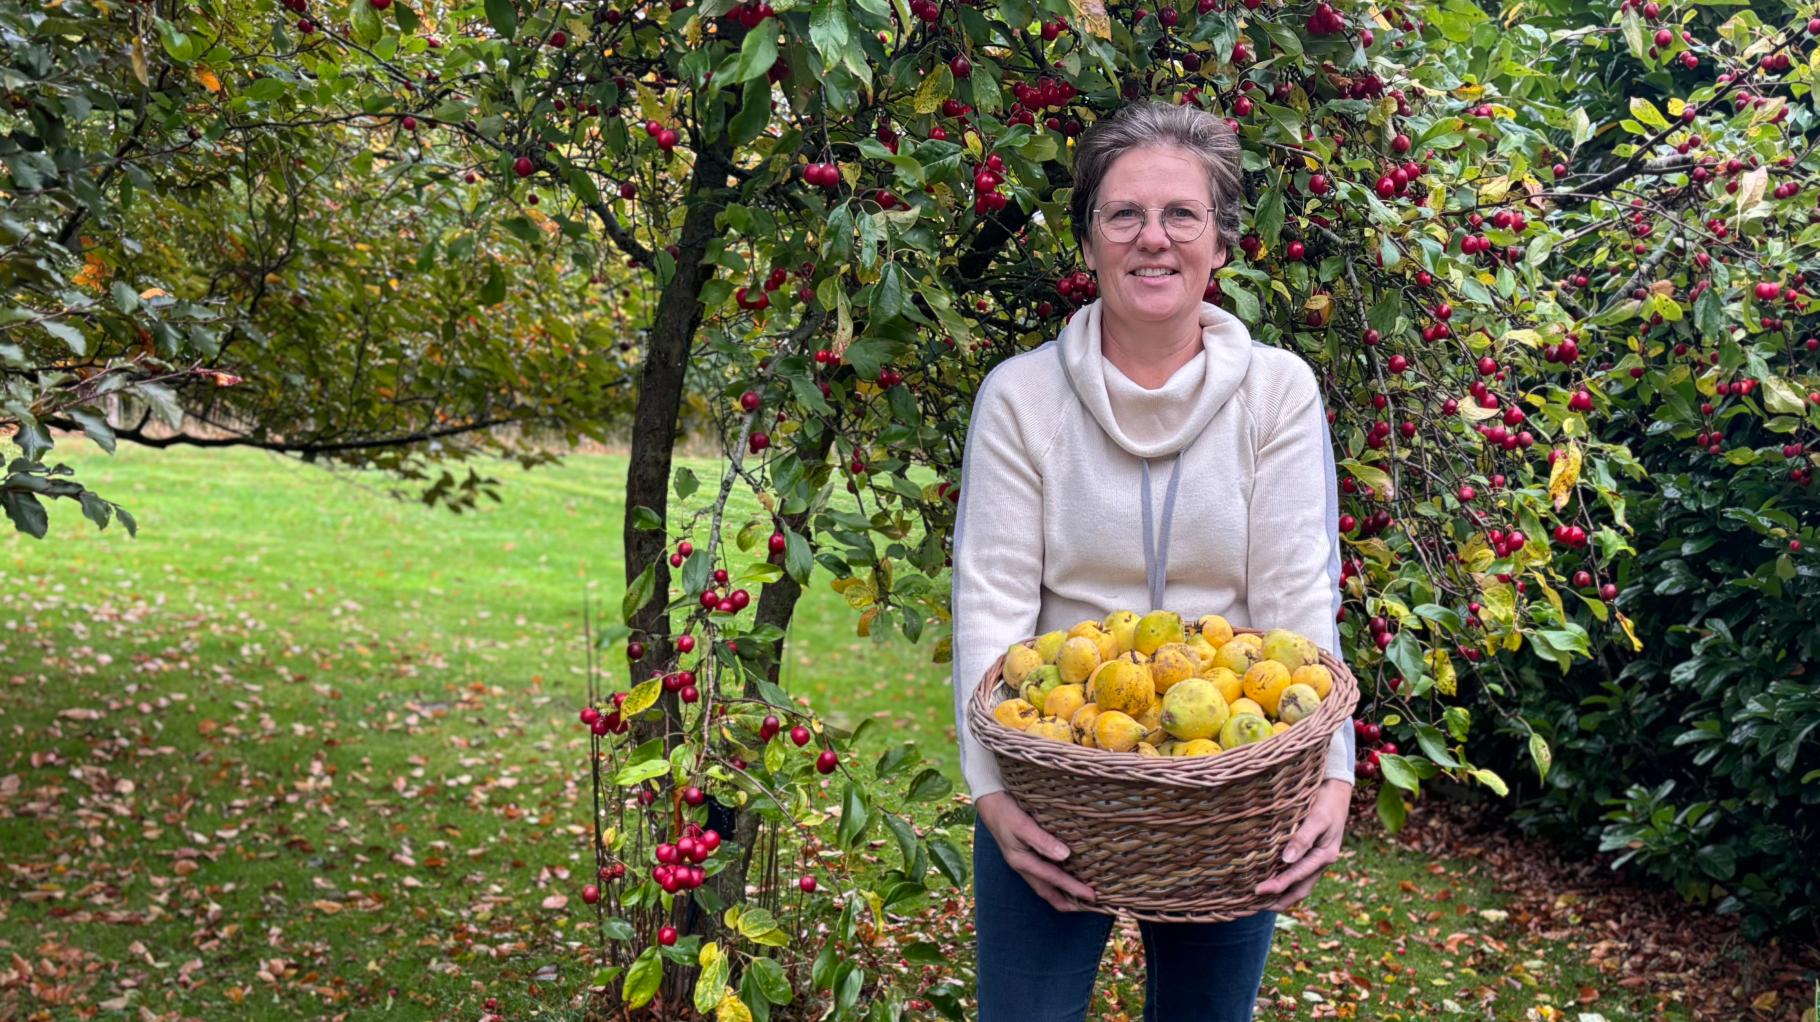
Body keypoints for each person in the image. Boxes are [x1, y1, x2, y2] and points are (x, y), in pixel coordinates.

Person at [948, 99, 1358, 1021]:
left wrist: (1330, 769)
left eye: (1183, 214)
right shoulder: (1020, 397)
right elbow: (991, 598)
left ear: (1221, 241)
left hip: (1230, 787)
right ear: (1088, 241)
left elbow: (1299, 593)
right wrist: (991, 792)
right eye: (1124, 214)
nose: (1153, 239)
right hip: (1053, 774)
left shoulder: (1277, 392)